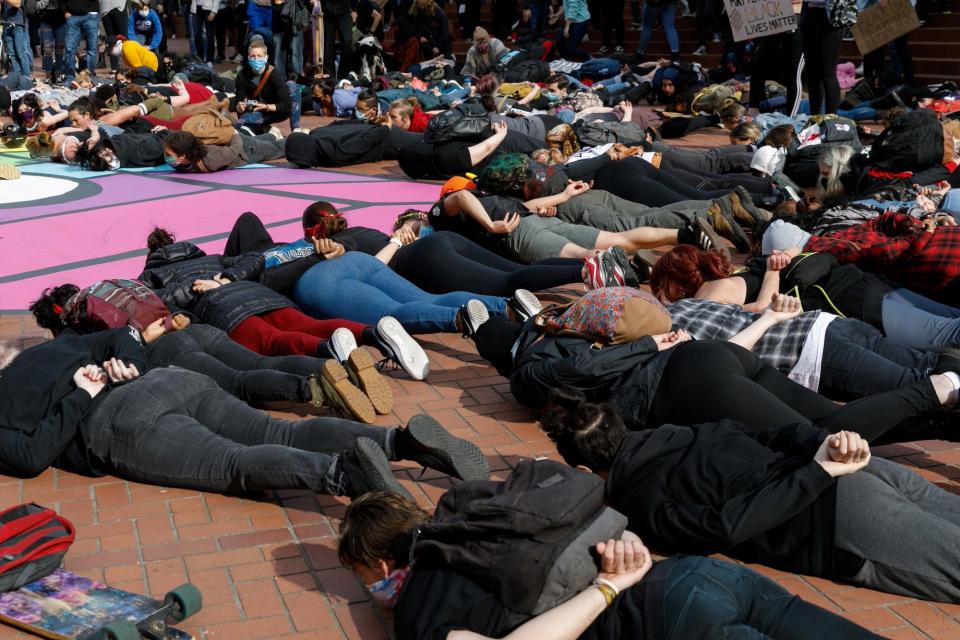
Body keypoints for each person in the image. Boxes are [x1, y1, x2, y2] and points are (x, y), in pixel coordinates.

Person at [541, 388, 960, 604]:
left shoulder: (642, 501)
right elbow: (771, 432)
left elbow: (724, 526)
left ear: (585, 470)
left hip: (838, 518)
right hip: (864, 470)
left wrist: (818, 472)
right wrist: (825, 443)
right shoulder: (682, 432)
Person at [0, 327, 488, 501]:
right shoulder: (47, 349)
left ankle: (342, 474)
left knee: (232, 462)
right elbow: (125, 335)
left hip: (117, 422)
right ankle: (400, 443)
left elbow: (29, 457)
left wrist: (80, 396)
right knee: (278, 430)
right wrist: (129, 364)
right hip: (170, 380)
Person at [338, 491, 883, 639]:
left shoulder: (418, 607)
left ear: (380, 562)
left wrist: (606, 588)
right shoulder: (482, 526)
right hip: (696, 574)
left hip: (660, 623)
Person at [457, 302, 955, 439]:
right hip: (710, 360)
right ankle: (947, 420)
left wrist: (649, 343)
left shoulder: (530, 369)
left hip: (685, 377)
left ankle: (947, 387)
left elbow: (566, 378)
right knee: (841, 423)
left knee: (822, 435)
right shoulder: (553, 349)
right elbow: (580, 371)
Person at [651, 244, 960, 352]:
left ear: (676, 286)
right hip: (862, 284)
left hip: (853, 301)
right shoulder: (745, 269)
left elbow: (757, 310)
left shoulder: (710, 291)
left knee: (948, 335)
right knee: (950, 322)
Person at [226, 207, 585, 297]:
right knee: (510, 269)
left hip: (423, 259)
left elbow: (364, 262)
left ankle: (583, 271)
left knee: (508, 282)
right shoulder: (361, 229)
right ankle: (589, 262)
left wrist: (397, 242)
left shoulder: (347, 241)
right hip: (439, 243)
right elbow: (247, 221)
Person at [235, 37, 291, 134]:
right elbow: (239, 102)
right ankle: (266, 129)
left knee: (292, 86)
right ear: (248, 58)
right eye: (253, 56)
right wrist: (240, 108)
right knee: (240, 128)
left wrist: (265, 106)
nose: (256, 59)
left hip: (276, 110)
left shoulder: (274, 74)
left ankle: (296, 130)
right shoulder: (242, 75)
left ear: (266, 58)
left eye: (259, 56)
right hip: (257, 111)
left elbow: (286, 105)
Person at [162, 129, 286, 172]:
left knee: (277, 149)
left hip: (245, 149)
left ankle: (299, 137)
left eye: (169, 155)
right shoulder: (180, 163)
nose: (166, 157)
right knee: (261, 142)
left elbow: (233, 152)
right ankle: (272, 134)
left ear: (183, 155)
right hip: (233, 144)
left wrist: (235, 134)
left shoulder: (211, 159)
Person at [63, 0, 100, 82]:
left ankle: (89, 77)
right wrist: (64, 11)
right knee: (69, 49)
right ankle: (69, 77)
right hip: (72, 15)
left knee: (92, 48)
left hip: (91, 13)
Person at [2, 0, 33, 76]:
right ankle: (17, 76)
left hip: (18, 24)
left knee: (21, 53)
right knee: (12, 55)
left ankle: (26, 77)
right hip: (7, 24)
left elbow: (17, 4)